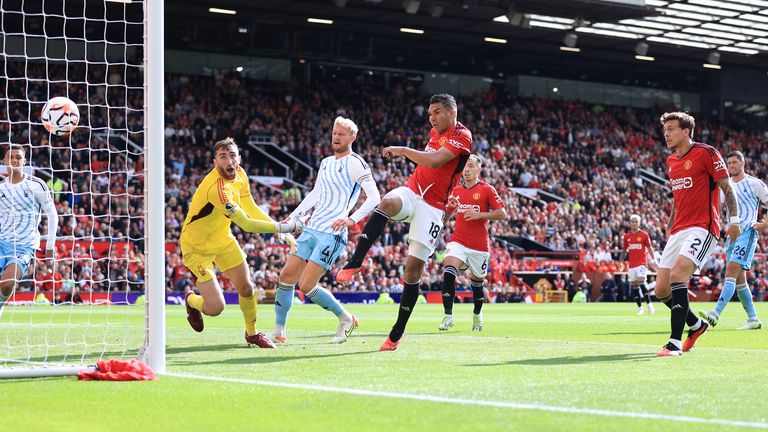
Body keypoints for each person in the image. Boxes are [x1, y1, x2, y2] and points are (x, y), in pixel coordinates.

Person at [335, 94, 472, 351]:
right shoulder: (436, 133)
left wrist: (402, 150)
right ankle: (355, 262)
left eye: (437, 112)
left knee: (412, 272)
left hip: (433, 209)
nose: (432, 118)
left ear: (451, 113)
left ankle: (396, 333)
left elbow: (435, 161)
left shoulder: (462, 136)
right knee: (386, 202)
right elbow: (430, 166)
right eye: (429, 113)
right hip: (413, 192)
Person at [180, 138, 301, 348]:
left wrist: (276, 227)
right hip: (196, 247)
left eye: (232, 155)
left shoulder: (241, 174)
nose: (229, 160)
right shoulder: (216, 188)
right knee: (216, 308)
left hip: (223, 240)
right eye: (223, 157)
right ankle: (191, 300)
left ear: (239, 158)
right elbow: (245, 223)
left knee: (246, 287)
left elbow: (250, 207)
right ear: (214, 162)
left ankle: (252, 334)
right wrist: (284, 228)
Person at [269, 116, 380, 344]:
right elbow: (315, 194)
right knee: (286, 276)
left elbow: (375, 196)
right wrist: (294, 215)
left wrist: (352, 219)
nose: (336, 137)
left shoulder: (356, 163)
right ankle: (279, 331)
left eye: (341, 134)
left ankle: (345, 318)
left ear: (352, 137)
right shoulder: (326, 162)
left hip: (333, 233)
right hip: (312, 229)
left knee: (307, 285)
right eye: (334, 133)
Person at [655, 112, 740, 357]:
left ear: (686, 131)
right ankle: (696, 325)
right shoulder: (671, 161)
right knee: (661, 290)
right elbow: (677, 199)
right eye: (665, 130)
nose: (667, 134)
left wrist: (733, 221)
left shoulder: (707, 153)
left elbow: (727, 186)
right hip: (679, 229)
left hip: (703, 227)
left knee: (679, 274)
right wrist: (670, 225)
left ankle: (673, 342)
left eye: (671, 128)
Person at [437, 155, 506, 332]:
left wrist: (480, 215)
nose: (466, 170)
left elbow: (502, 213)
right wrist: (449, 211)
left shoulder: (487, 189)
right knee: (449, 271)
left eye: (470, 166)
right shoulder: (456, 191)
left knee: (477, 284)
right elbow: (443, 221)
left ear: (478, 169)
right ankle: (448, 316)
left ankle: (477, 315)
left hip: (479, 246)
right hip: (458, 241)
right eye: (464, 167)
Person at [698, 151, 765, 330]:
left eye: (735, 162)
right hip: (731, 237)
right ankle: (753, 319)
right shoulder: (725, 187)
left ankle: (715, 313)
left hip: (747, 233)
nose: (732, 166)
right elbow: (718, 209)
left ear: (743, 162)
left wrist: (764, 225)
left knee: (730, 272)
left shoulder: (754, 183)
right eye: (729, 163)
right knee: (739, 281)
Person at [0, 146, 58, 317]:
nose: (14, 160)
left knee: (8, 283)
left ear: (24, 161)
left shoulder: (36, 185)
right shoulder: (1, 188)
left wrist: (50, 245)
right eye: (10, 157)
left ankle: (1, 303)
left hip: (24, 247)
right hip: (2, 242)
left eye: (18, 157)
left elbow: (52, 214)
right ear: (4, 162)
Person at [617, 214, 657, 315]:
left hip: (642, 264)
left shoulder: (644, 235)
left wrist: (654, 260)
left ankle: (649, 304)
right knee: (634, 286)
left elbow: (650, 248)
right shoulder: (627, 237)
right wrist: (620, 261)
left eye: (636, 221)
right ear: (630, 223)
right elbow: (624, 250)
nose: (634, 223)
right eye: (632, 221)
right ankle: (640, 308)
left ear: (639, 223)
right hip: (632, 265)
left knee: (642, 283)